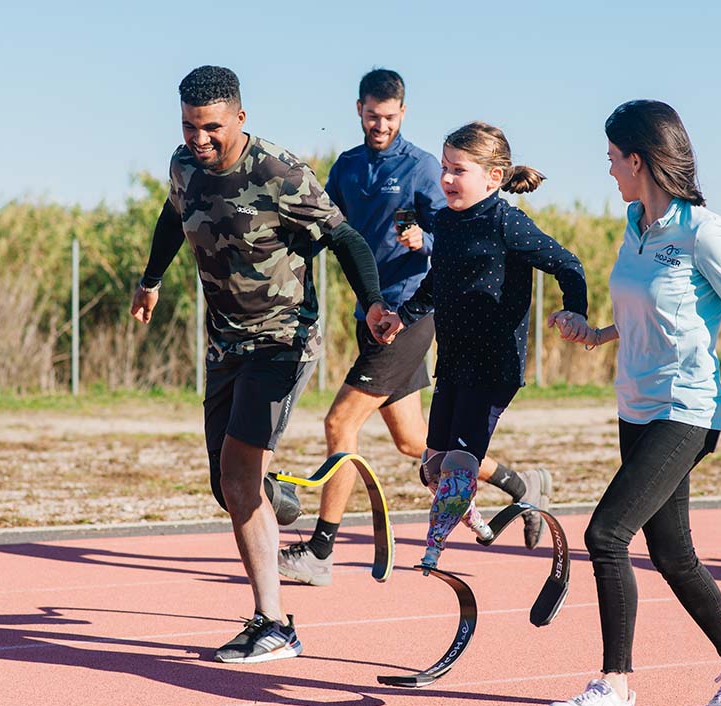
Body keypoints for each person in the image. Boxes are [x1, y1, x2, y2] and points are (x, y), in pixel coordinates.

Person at [544, 100, 721, 706]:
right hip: (635, 406)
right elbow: (648, 312)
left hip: (687, 409)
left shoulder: (702, 231)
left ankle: (615, 689)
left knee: (606, 535)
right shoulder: (634, 225)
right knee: (673, 553)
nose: (608, 169)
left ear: (638, 159)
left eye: (612, 158)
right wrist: (596, 333)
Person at [130, 65, 391, 664]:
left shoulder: (279, 172)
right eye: (190, 126)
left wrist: (374, 301)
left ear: (240, 118)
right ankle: (280, 498)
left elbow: (345, 238)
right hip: (225, 344)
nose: (200, 139)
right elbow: (174, 215)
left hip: (282, 342)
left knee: (240, 475)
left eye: (212, 128)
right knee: (228, 485)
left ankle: (274, 624)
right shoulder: (183, 165)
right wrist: (150, 280)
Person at [277, 71, 553, 588]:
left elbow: (459, 232)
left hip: (408, 314)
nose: (380, 125)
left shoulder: (424, 167)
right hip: (371, 315)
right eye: (372, 116)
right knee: (416, 444)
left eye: (389, 116)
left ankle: (320, 551)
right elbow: (324, 226)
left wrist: (421, 242)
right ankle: (524, 485)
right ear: (359, 110)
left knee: (339, 424)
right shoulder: (348, 166)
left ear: (402, 113)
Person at [375, 121, 589, 569]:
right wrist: (403, 316)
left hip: (494, 364)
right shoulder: (445, 222)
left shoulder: (506, 221)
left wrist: (575, 311)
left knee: (458, 464)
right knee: (432, 468)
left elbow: (568, 264)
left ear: (493, 177)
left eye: (459, 170)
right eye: (445, 168)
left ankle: (434, 549)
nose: (446, 178)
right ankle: (473, 515)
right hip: (454, 360)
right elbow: (438, 281)